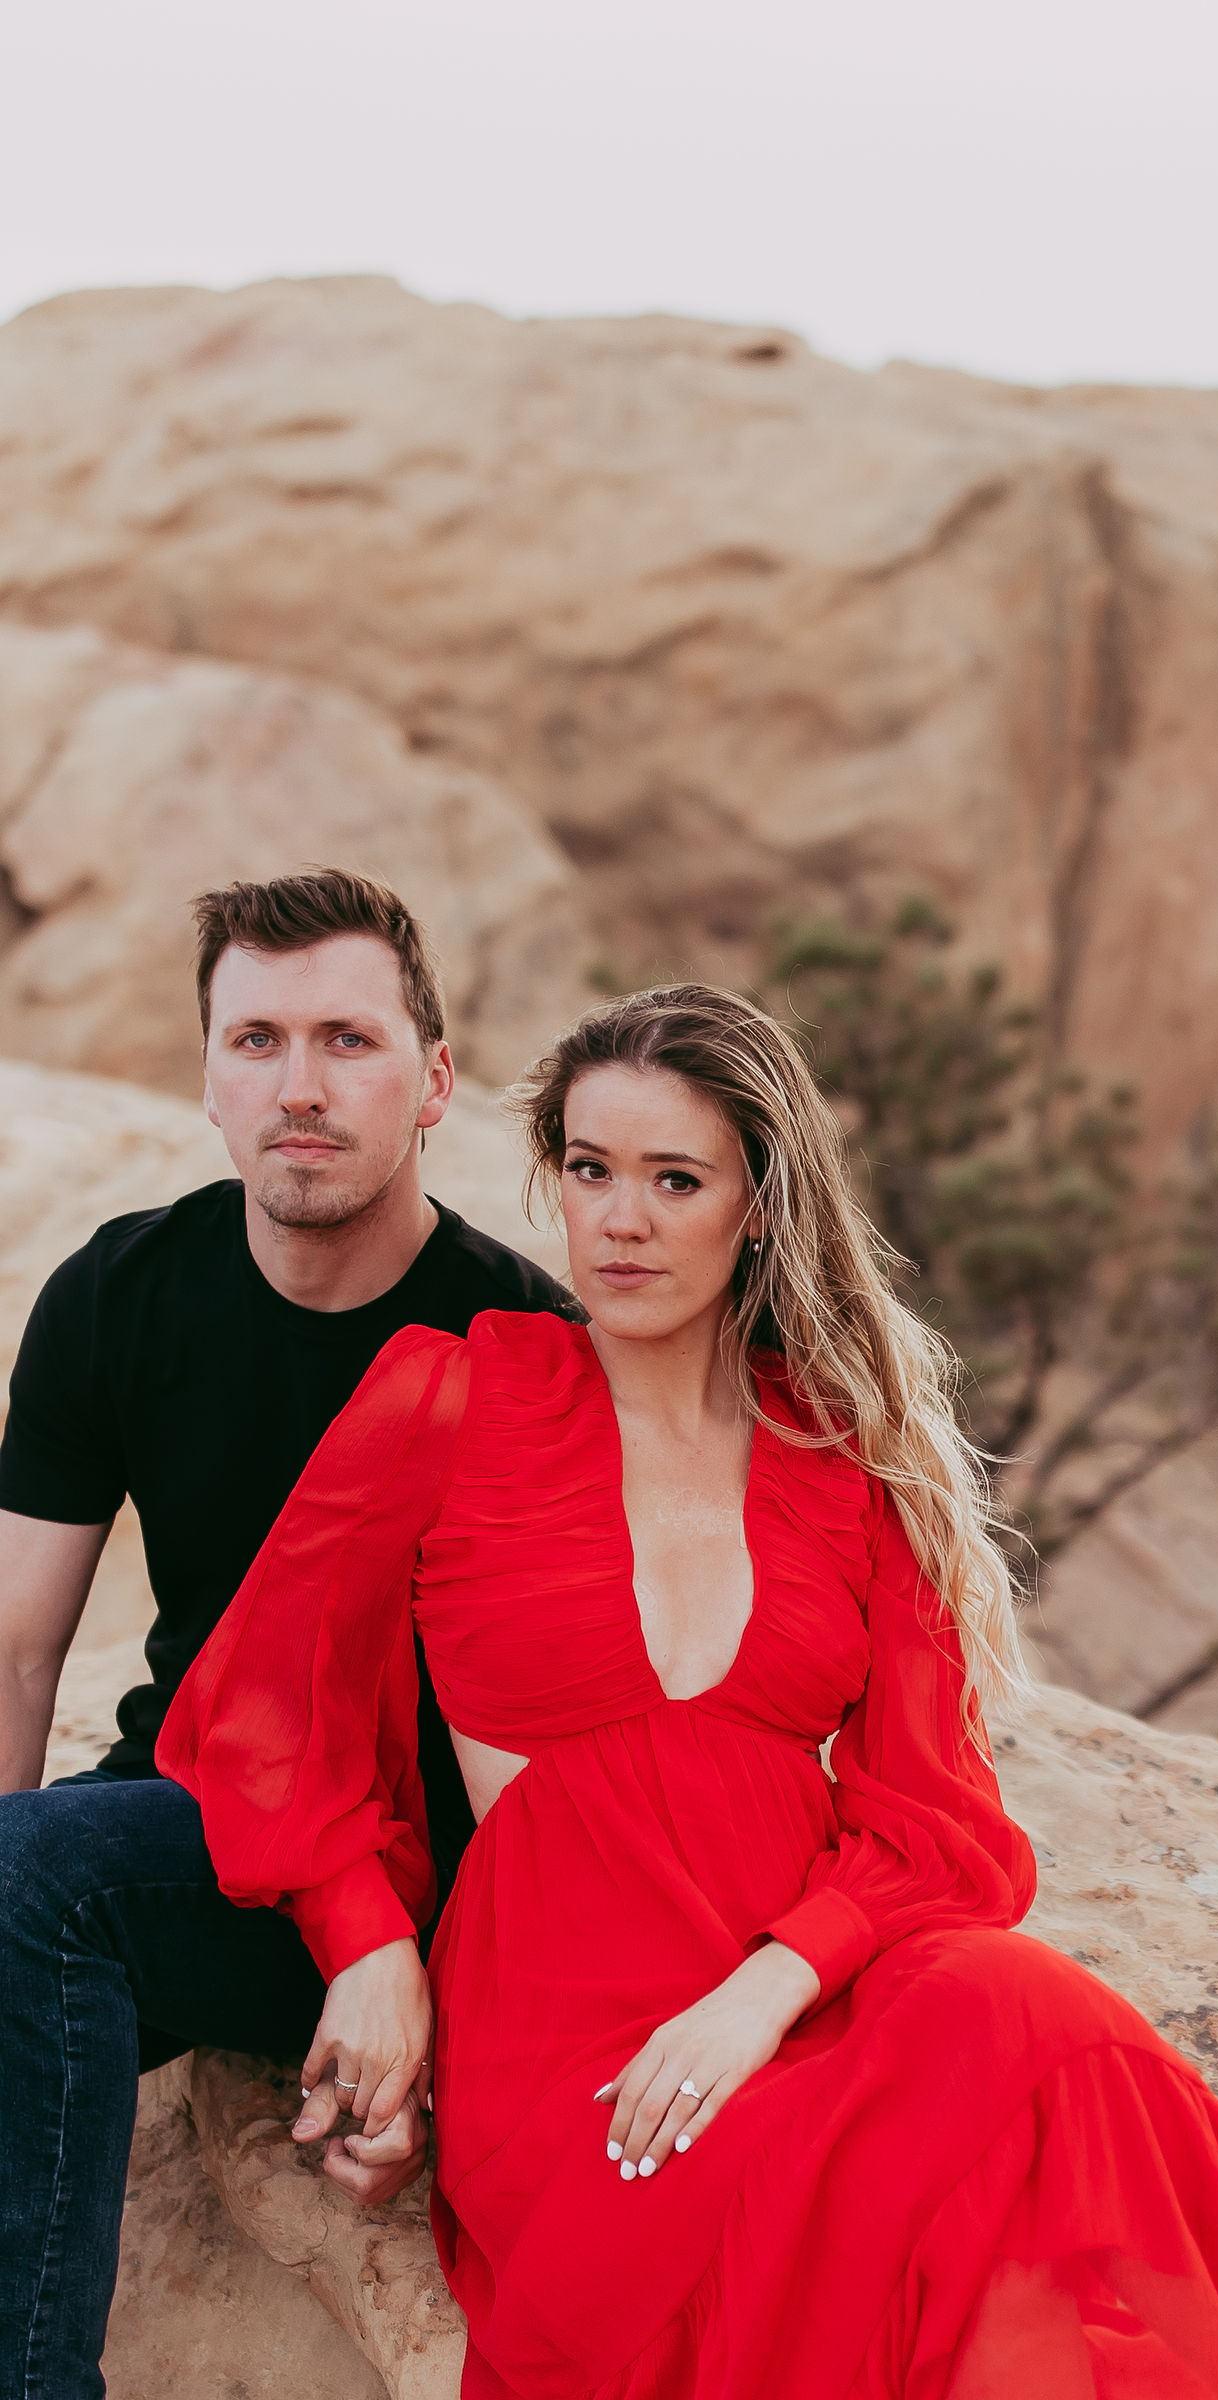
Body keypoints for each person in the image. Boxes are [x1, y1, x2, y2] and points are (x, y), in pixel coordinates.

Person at [159, 982, 1218, 2398]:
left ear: (757, 1206)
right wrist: (369, 1948)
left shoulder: (840, 1451)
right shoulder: (453, 1392)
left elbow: (937, 1823)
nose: (620, 1220)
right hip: (579, 2037)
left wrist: (765, 1990)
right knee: (836, 2229)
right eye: (591, 1169)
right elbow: (266, 1707)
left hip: (800, 1984)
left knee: (1032, 2019)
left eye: (675, 1179)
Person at [0, 868, 573, 2400]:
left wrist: (470, 2022)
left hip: (415, 1894)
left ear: (435, 1081)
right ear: (206, 1076)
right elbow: (16, 1650)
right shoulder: (119, 1295)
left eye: (347, 1041)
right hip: (193, 1835)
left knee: (30, 1877)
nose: (299, 1089)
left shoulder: (519, 1350)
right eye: (256, 1042)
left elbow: (560, 1747)